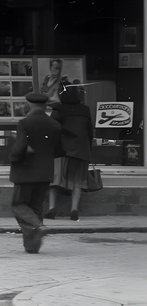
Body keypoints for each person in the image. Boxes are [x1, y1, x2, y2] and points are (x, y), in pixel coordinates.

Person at [9, 90, 64, 254]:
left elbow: (19, 149)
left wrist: (12, 157)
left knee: (18, 204)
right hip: (45, 172)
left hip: (25, 172)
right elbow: (60, 150)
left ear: (30, 104)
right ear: (45, 106)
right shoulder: (55, 125)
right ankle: (32, 246)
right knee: (36, 207)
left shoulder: (24, 123)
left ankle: (38, 226)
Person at [49, 86, 94, 221]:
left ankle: (52, 209)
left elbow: (52, 129)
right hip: (81, 150)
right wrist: (89, 148)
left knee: (55, 180)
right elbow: (90, 132)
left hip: (61, 150)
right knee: (78, 181)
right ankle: (74, 210)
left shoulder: (58, 109)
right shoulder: (85, 110)